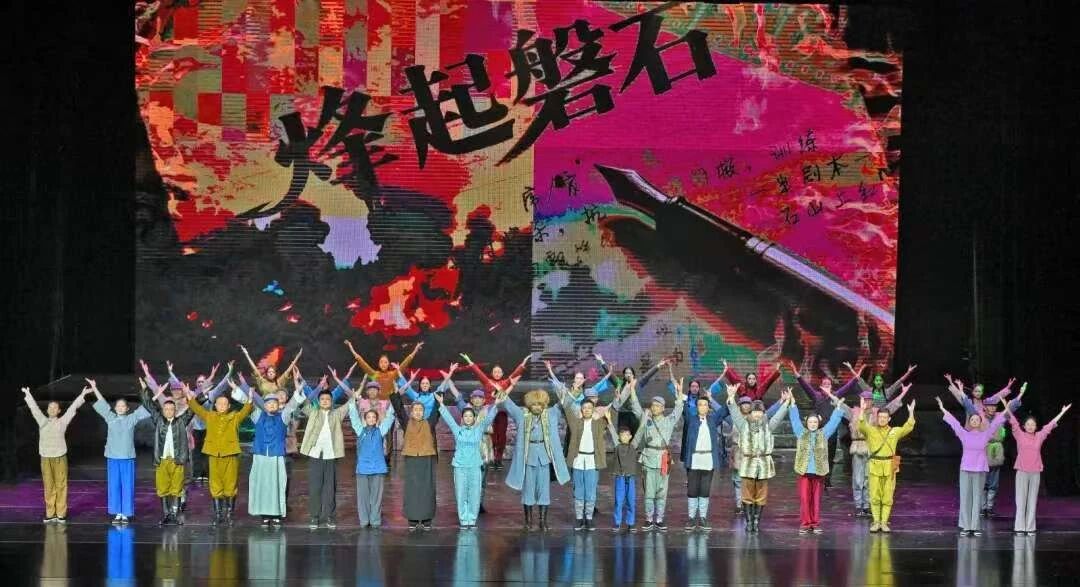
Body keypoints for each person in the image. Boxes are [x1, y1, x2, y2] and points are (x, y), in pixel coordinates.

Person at [826, 385, 912, 518]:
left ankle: (867, 506)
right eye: (864, 399)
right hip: (857, 447)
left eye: (869, 399)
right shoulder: (854, 412)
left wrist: (902, 393)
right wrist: (830, 395)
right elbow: (841, 405)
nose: (866, 401)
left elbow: (891, 407)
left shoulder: (877, 413)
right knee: (857, 479)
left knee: (869, 479)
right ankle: (858, 506)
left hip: (872, 449)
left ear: (872, 401)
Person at [436, 382, 508, 528]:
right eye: (466, 416)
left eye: (470, 416)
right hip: (460, 466)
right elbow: (449, 419)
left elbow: (488, 419)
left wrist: (496, 405)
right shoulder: (458, 430)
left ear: (474, 418)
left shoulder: (479, 429)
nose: (468, 418)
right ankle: (464, 519)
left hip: (475, 465)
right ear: (463, 418)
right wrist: (441, 404)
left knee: (475, 493)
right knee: (461, 493)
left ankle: (472, 519)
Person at [499, 387, 571, 531]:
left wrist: (569, 392)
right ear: (529, 405)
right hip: (528, 457)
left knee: (544, 490)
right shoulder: (522, 415)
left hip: (544, 458)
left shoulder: (550, 414)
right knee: (528, 490)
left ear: (544, 405)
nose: (537, 407)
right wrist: (501, 391)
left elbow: (562, 403)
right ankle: (528, 522)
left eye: (539, 404)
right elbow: (510, 405)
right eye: (534, 404)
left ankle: (543, 522)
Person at [184, 381, 255, 526]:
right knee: (215, 484)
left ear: (228, 406)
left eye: (224, 404)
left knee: (230, 484)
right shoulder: (210, 416)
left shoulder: (234, 417)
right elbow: (197, 409)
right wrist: (189, 397)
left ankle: (229, 515)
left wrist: (250, 399)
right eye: (219, 404)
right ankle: (218, 515)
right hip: (214, 455)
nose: (222, 406)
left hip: (230, 455)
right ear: (215, 405)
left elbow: (246, 410)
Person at [935, 395, 1007, 536]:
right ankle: (966, 526)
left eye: (977, 419)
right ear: (970, 422)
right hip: (966, 469)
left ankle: (975, 526)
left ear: (980, 422)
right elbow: (954, 423)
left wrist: (1006, 409)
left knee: (977, 497)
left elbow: (996, 423)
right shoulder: (964, 434)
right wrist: (943, 408)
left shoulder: (985, 434)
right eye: (972, 419)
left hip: (980, 470)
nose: (974, 421)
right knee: (965, 497)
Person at [621, 379, 685, 530]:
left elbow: (678, 409)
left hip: (663, 459)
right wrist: (632, 390)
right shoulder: (646, 419)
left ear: (663, 408)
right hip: (649, 458)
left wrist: (680, 393)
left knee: (662, 492)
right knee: (649, 492)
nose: (654, 408)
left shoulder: (669, 421)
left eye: (657, 406)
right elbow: (636, 408)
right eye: (653, 405)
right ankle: (649, 518)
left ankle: (660, 518)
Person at [297, 367, 357, 530]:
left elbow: (351, 403)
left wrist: (351, 393)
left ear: (331, 402)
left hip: (331, 456)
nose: (324, 401)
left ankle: (330, 516)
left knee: (330, 488)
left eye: (327, 399)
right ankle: (314, 516)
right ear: (319, 401)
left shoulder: (336, 414)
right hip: (315, 455)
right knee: (315, 487)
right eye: (322, 399)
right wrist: (303, 384)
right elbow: (303, 402)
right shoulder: (313, 412)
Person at [728, 385, 792, 533]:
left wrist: (786, 403)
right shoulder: (743, 425)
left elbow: (778, 416)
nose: (757, 414)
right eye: (754, 411)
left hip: (763, 465)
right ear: (751, 412)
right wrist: (731, 398)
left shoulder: (768, 426)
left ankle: (756, 521)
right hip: (748, 464)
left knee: (761, 495)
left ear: (763, 413)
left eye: (760, 411)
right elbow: (735, 414)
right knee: (747, 494)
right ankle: (749, 521)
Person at [22, 385, 90, 524]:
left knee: (61, 485)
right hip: (46, 458)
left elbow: (72, 408)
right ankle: (50, 513)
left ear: (59, 411)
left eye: (55, 408)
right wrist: (28, 395)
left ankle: (61, 514)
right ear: (47, 410)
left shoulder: (62, 421)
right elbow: (34, 408)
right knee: (48, 486)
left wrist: (82, 395)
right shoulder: (42, 421)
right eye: (50, 407)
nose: (52, 409)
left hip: (60, 457)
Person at [790, 361, 863, 488]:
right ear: (821, 386)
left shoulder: (835, 395)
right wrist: (796, 373)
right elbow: (805, 385)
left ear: (831, 386)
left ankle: (827, 479)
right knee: (818, 454)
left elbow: (848, 386)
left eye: (828, 384)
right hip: (818, 431)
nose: (826, 386)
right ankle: (817, 476)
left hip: (831, 432)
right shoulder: (817, 396)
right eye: (824, 384)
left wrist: (857, 376)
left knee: (830, 456)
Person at [89, 378, 152, 525]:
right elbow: (102, 403)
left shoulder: (132, 418)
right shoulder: (110, 417)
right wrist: (94, 388)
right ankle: (117, 512)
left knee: (127, 485)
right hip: (112, 457)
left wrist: (146, 390)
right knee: (114, 486)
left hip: (127, 457)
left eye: (123, 406)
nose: (120, 408)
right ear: (115, 408)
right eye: (118, 405)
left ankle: (125, 513)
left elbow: (147, 405)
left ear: (127, 408)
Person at [1005, 398, 1071, 534]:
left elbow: (1050, 425)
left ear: (1036, 427)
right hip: (1022, 471)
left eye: (1033, 424)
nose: (1030, 426)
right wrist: (1007, 407)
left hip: (1035, 472)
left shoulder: (1040, 436)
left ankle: (1030, 527)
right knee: (1021, 500)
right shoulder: (1019, 435)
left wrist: (1062, 412)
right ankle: (1019, 527)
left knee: (1032, 500)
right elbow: (1013, 421)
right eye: (1028, 424)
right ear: (1024, 426)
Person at [246, 380, 304, 526]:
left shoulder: (283, 417)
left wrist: (297, 392)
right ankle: (264, 514)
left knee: (277, 485)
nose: (271, 405)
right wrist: (247, 394)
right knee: (262, 485)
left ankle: (276, 513)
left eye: (274, 403)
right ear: (264, 405)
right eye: (268, 403)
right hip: (260, 456)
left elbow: (291, 406)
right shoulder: (258, 416)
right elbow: (248, 405)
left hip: (276, 456)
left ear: (278, 405)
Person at [460, 352, 531, 471]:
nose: (497, 373)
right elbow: (478, 372)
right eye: (495, 372)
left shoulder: (505, 383)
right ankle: (491, 457)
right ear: (492, 373)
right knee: (491, 436)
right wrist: (469, 361)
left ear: (502, 374)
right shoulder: (487, 382)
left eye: (499, 372)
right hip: (489, 412)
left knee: (501, 436)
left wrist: (523, 363)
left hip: (501, 413)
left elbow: (515, 374)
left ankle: (498, 459)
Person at [139, 379, 196, 526]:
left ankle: (174, 514)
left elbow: (194, 409)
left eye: (171, 409)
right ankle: (166, 514)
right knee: (163, 488)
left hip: (177, 460)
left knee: (177, 488)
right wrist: (144, 390)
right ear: (163, 410)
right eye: (166, 409)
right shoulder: (158, 420)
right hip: (162, 460)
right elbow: (149, 405)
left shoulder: (181, 421)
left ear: (175, 410)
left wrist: (192, 396)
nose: (169, 411)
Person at [389, 372, 442, 531]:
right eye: (415, 409)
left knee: (427, 488)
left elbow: (436, 411)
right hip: (412, 459)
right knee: (412, 489)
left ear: (423, 412)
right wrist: (396, 394)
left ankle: (426, 519)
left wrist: (439, 399)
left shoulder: (429, 422)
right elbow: (399, 409)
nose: (418, 412)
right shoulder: (406, 422)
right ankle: (412, 518)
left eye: (420, 410)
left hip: (427, 459)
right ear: (412, 411)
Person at [557, 381, 612, 531]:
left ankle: (589, 518)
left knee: (591, 492)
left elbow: (615, 407)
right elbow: (567, 407)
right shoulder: (575, 422)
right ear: (581, 409)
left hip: (593, 461)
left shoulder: (599, 423)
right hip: (578, 460)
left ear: (593, 409)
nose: (587, 410)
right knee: (579, 491)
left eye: (589, 408)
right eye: (584, 408)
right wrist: (570, 392)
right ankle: (579, 518)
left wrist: (627, 389)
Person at [788, 397, 846, 533]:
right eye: (810, 422)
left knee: (816, 500)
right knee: (804, 499)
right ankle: (805, 523)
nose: (813, 424)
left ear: (818, 423)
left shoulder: (823, 433)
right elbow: (795, 420)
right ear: (807, 423)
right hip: (804, 472)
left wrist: (838, 409)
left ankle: (815, 523)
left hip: (819, 473)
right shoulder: (801, 433)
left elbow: (833, 423)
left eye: (815, 422)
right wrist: (792, 404)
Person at [679, 376, 730, 532]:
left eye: (705, 404)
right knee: (692, 490)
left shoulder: (713, 419)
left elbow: (725, 410)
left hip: (708, 459)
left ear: (708, 407)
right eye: (700, 404)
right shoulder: (691, 419)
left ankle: (702, 518)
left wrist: (731, 397)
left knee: (705, 490)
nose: (702, 407)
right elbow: (683, 407)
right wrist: (679, 394)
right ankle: (691, 518)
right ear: (696, 406)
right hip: (694, 459)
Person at [859, 398, 917, 532]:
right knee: (874, 495)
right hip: (874, 465)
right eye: (880, 417)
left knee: (888, 496)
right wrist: (862, 410)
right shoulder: (871, 430)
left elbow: (908, 427)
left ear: (889, 419)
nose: (882, 419)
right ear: (877, 418)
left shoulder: (894, 431)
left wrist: (911, 413)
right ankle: (876, 522)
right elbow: (861, 425)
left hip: (890, 466)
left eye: (885, 417)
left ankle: (884, 522)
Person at [347, 385, 396, 529]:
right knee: (363, 498)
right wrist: (352, 400)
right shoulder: (360, 430)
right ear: (365, 419)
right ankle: (364, 520)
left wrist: (395, 399)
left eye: (374, 417)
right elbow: (353, 416)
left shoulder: (381, 430)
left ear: (376, 419)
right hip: (363, 469)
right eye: (368, 417)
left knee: (376, 497)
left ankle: (375, 520)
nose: (371, 419)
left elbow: (390, 417)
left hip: (378, 468)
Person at [447, 385, 496, 514]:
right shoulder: (466, 409)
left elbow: (500, 401)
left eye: (480, 397)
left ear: (484, 400)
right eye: (475, 397)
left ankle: (479, 503)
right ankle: (468, 501)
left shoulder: (488, 409)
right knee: (468, 477)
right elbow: (458, 397)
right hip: (469, 448)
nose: (477, 400)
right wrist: (449, 382)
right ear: (472, 399)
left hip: (484, 448)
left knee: (482, 478)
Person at [983, 385, 1026, 517]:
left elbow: (1011, 407)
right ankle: (982, 507)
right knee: (982, 479)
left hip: (996, 450)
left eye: (994, 406)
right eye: (989, 406)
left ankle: (989, 507)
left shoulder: (1000, 416)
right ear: (985, 407)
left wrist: (1020, 394)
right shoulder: (979, 417)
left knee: (994, 481)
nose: (992, 408)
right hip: (983, 450)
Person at [603, 394, 642, 532]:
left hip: (630, 477)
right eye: (622, 435)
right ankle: (617, 522)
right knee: (619, 501)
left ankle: (630, 522)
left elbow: (640, 431)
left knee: (631, 501)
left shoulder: (633, 445)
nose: (624, 437)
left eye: (627, 435)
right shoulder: (617, 445)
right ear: (620, 437)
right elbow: (613, 432)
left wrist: (644, 420)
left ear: (630, 436)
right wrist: (609, 420)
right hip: (620, 477)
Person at [345, 339, 423, 400]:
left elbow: (405, 363)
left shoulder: (393, 374)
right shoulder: (374, 374)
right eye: (381, 362)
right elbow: (362, 362)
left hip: (390, 405)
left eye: (385, 362)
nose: (383, 364)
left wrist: (415, 350)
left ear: (388, 364)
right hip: (377, 405)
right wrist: (351, 347)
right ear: (379, 364)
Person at [239, 345, 303, 397]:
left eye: (273, 372)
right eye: (269, 372)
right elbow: (254, 368)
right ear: (266, 374)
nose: (271, 373)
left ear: (275, 374)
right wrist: (246, 354)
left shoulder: (279, 381)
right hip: (263, 403)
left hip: (276, 404)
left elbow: (288, 370)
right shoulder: (262, 380)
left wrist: (297, 357)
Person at [846, 362, 917, 409]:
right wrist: (851, 368)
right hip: (871, 417)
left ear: (882, 382)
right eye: (877, 380)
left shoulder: (887, 392)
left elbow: (899, 381)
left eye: (880, 380)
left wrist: (908, 372)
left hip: (883, 415)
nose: (878, 382)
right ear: (874, 382)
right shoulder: (869, 390)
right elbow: (858, 379)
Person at [944, 373, 1014, 420]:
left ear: (982, 392)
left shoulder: (985, 402)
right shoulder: (968, 402)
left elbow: (996, 397)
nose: (978, 393)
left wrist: (1007, 387)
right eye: (976, 391)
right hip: (972, 427)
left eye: (979, 391)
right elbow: (959, 395)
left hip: (984, 428)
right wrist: (951, 382)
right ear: (972, 392)